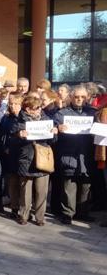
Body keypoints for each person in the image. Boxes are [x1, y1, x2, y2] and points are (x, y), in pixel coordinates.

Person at [10, 96, 58, 226]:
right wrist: (19, 136)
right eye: (35, 108)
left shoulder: (46, 119)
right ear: (28, 109)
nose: (38, 110)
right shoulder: (19, 121)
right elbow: (12, 142)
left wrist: (55, 133)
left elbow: (53, 141)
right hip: (26, 159)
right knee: (25, 191)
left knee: (42, 191)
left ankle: (40, 217)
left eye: (39, 108)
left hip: (43, 158)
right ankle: (24, 215)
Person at [53, 86, 96, 224]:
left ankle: (83, 213)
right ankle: (67, 214)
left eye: (83, 97)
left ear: (87, 97)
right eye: (77, 96)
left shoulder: (93, 113)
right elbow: (52, 134)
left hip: (86, 155)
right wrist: (58, 129)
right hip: (68, 155)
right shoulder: (61, 114)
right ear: (71, 97)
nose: (79, 99)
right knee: (69, 187)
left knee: (85, 186)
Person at [0, 93, 24, 219]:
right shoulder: (6, 118)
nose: (13, 106)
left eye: (16, 104)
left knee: (23, 183)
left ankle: (24, 209)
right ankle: (14, 208)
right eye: (11, 104)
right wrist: (4, 147)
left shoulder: (25, 117)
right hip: (9, 154)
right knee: (12, 182)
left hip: (23, 154)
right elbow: (1, 135)